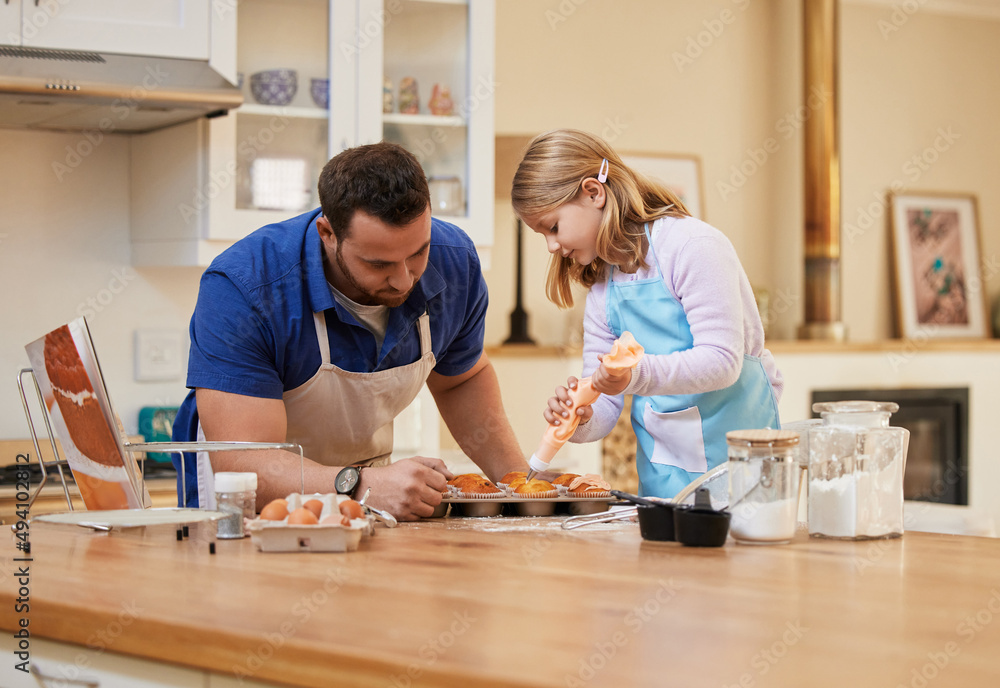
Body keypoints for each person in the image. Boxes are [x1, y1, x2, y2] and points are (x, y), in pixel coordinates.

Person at [172, 142, 526, 519]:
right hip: (251, 510)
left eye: (418, 252)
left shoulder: (454, 260)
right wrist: (362, 485)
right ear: (327, 232)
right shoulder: (246, 287)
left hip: (364, 499)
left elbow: (460, 381)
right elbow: (247, 464)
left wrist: (523, 486)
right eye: (379, 264)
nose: (404, 279)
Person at [511, 129, 783, 498]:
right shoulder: (602, 292)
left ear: (594, 192)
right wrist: (580, 419)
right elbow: (605, 402)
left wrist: (631, 377)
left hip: (740, 468)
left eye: (553, 227)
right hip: (664, 478)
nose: (551, 246)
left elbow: (722, 361)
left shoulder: (692, 247)